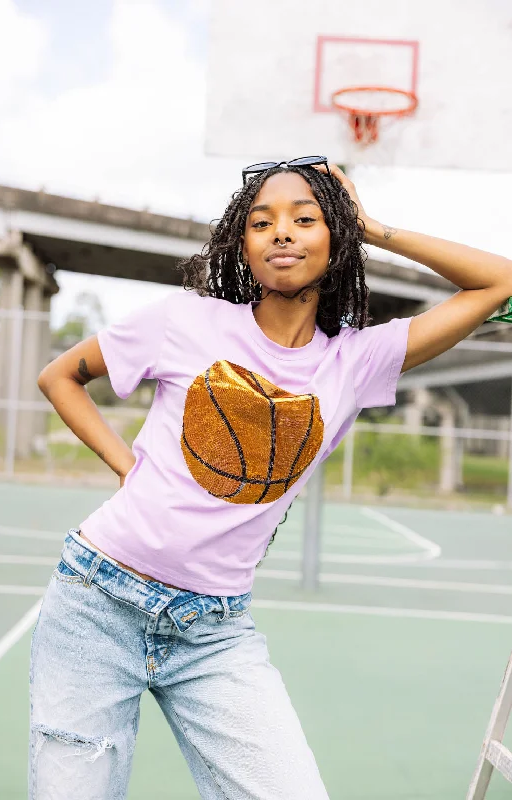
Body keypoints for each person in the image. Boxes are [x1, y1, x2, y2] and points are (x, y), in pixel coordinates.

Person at [31, 159, 512, 800]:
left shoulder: (355, 361)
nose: (282, 232)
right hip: (97, 601)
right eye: (262, 223)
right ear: (244, 245)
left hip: (214, 630)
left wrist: (370, 226)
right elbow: (59, 376)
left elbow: (497, 283)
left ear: (335, 240)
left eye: (305, 220)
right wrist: (127, 465)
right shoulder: (182, 320)